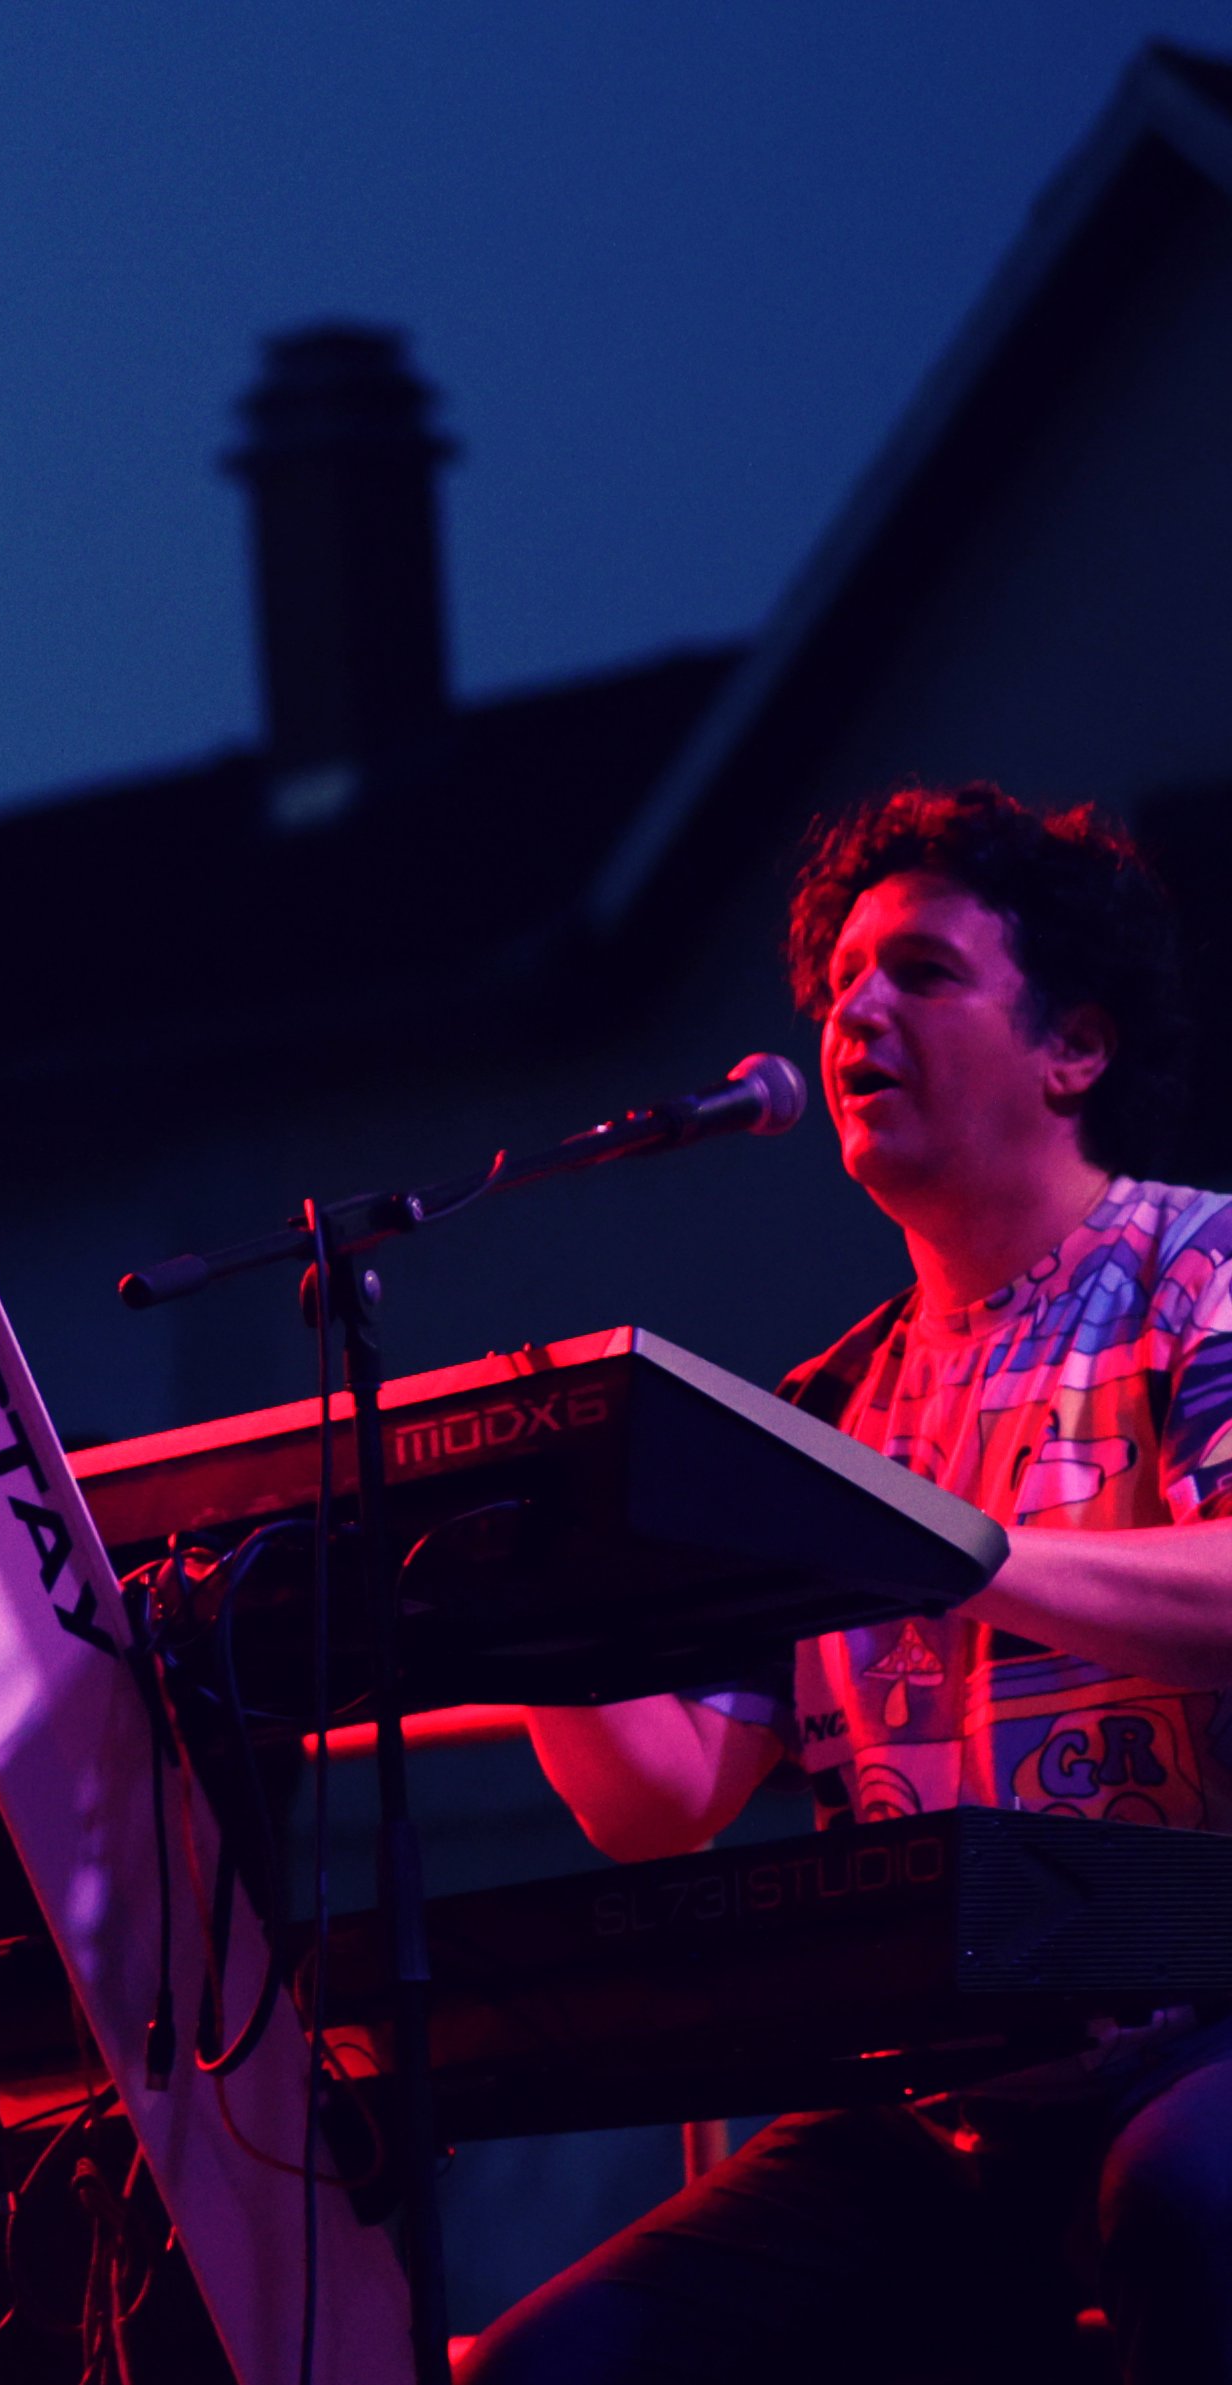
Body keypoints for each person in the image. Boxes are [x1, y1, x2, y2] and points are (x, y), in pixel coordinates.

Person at [476, 783, 1232, 2382]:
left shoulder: (1203, 1272)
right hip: (936, 2094)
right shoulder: (820, 1413)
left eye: (922, 972)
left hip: (1211, 2025)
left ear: (1073, 1049)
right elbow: (666, 1796)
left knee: (1187, 2204)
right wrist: (531, 1596)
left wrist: (946, 1552)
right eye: (837, 988)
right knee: (539, 2369)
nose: (853, 1014)